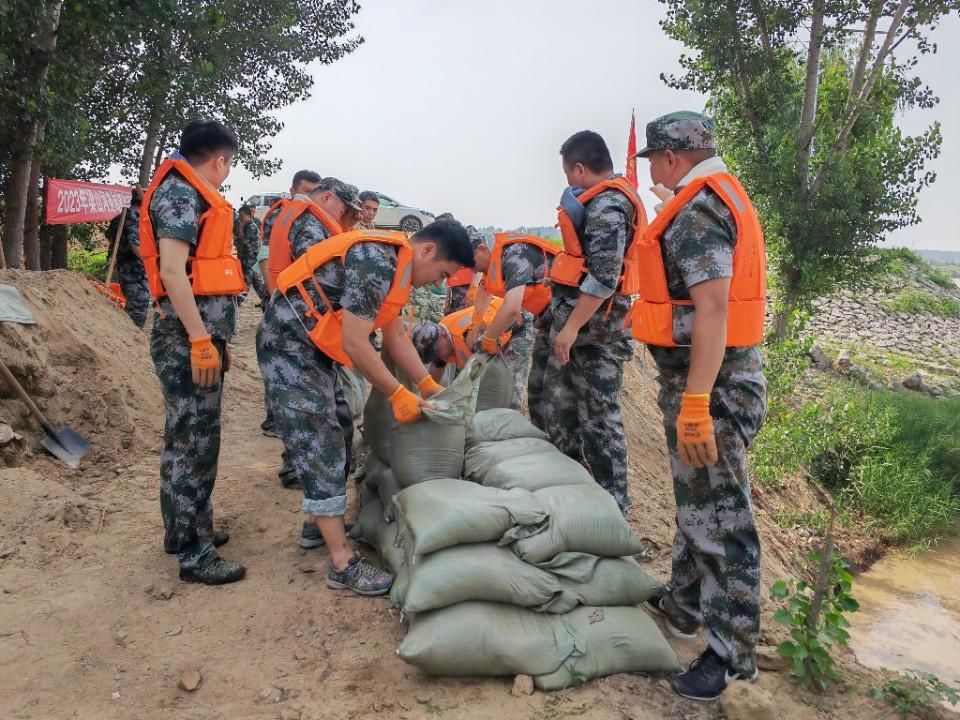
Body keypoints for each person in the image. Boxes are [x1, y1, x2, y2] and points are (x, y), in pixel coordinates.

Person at [257, 219, 474, 596]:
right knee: (321, 442)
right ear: (426, 251)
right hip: (288, 347)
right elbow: (357, 344)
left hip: (314, 349)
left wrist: (426, 384)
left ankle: (316, 522)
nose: (440, 283)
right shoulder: (377, 262)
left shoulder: (399, 267)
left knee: (340, 429)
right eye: (442, 273)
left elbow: (395, 333)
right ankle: (341, 563)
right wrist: (397, 394)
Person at [632, 111, 767, 701]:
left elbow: (711, 310)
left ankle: (728, 655)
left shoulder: (697, 212)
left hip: (711, 388)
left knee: (722, 519)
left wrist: (695, 402)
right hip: (716, 381)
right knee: (698, 506)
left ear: (669, 157)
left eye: (655, 164)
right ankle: (685, 605)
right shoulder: (711, 195)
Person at [140, 120, 247, 585]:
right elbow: (171, 271)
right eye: (229, 165)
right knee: (195, 444)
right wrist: (201, 340)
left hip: (194, 335)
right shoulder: (182, 193)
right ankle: (193, 553)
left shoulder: (187, 191)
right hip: (185, 338)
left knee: (187, 435)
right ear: (219, 160)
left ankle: (183, 528)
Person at [527, 131, 647, 513]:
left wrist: (570, 328)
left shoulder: (608, 208)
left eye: (567, 173)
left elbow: (604, 278)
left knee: (599, 421)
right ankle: (570, 497)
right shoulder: (598, 203)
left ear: (579, 169)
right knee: (557, 411)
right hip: (576, 333)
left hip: (596, 336)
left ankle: (614, 511)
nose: (567, 182)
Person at [256, 169, 322, 439]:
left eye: (313, 192)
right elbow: (265, 257)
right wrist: (275, 297)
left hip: (299, 302)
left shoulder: (310, 221)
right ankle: (273, 419)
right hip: (280, 299)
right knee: (277, 360)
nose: (310, 197)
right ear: (293, 190)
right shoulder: (281, 218)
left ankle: (284, 418)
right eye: (306, 191)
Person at [468, 231, 560, 409]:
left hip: (569, 321)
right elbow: (483, 291)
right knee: (537, 388)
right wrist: (475, 326)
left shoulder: (515, 254)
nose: (473, 270)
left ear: (481, 249)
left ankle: (510, 417)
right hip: (546, 321)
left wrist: (489, 337)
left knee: (546, 390)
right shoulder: (492, 264)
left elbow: (511, 309)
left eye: (471, 263)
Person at [410, 295, 512, 381]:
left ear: (444, 336)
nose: (436, 356)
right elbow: (436, 368)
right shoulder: (442, 334)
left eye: (436, 352)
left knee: (512, 387)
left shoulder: (469, 338)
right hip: (493, 335)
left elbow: (491, 376)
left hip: (515, 324)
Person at [107, 187, 150, 329]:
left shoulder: (123, 216)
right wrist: (150, 260)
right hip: (133, 269)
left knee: (135, 303)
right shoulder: (132, 217)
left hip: (127, 266)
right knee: (138, 306)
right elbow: (135, 245)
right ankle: (130, 336)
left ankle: (127, 335)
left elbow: (108, 235)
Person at [234, 204, 269, 307]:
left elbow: (246, 243)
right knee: (257, 284)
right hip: (250, 260)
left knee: (245, 283)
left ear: (247, 215)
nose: (240, 218)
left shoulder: (251, 226)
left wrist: (238, 239)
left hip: (250, 260)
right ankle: (268, 300)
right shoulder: (247, 226)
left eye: (241, 215)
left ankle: (237, 301)